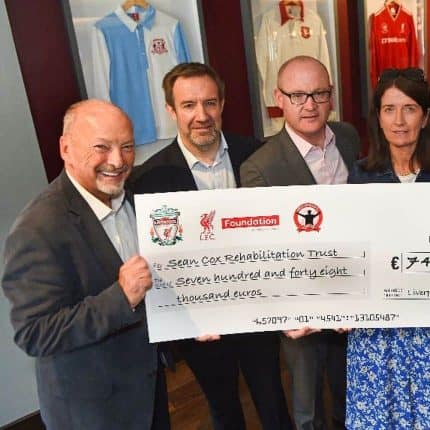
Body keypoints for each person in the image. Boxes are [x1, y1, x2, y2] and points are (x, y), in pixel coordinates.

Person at [130, 62, 292, 430]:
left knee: (273, 401)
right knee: (223, 410)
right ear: (171, 110)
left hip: (258, 308)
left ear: (223, 104)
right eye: (188, 105)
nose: (201, 115)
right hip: (200, 322)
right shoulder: (148, 180)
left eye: (210, 103)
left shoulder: (256, 154)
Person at [1, 100, 169, 429]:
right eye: (101, 148)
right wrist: (121, 297)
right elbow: (35, 333)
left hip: (147, 389)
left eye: (127, 147)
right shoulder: (37, 228)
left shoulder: (135, 200)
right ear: (66, 148)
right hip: (93, 411)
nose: (118, 161)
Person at [346, 67, 430, 429]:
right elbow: (352, 252)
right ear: (378, 118)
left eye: (410, 108)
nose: (399, 120)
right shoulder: (360, 175)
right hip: (376, 330)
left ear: (426, 116)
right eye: (389, 109)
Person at [241, 55, 360, 430]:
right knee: (307, 406)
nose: (309, 104)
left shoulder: (350, 136)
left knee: (350, 391)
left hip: (353, 291)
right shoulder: (260, 167)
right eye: (297, 95)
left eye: (319, 93)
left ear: (332, 96)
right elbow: (263, 249)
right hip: (301, 305)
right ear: (279, 97)